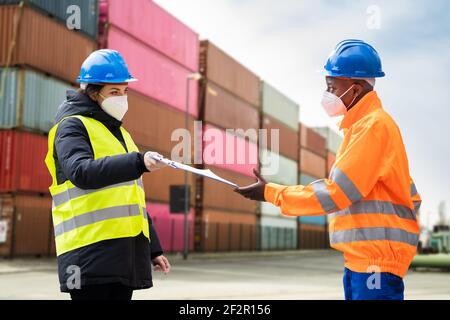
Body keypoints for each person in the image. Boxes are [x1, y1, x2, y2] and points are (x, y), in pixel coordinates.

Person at [235, 39, 422, 300]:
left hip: (375, 266)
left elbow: (334, 194)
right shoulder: (363, 128)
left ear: (355, 89)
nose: (328, 93)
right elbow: (411, 196)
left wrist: (271, 193)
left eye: (332, 86)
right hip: (365, 262)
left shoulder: (372, 127)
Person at [45, 49, 171, 300]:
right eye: (114, 92)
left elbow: (131, 198)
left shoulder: (122, 135)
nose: (122, 98)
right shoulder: (71, 126)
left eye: (124, 91)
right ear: (93, 92)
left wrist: (151, 248)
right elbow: (80, 172)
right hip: (88, 254)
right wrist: (138, 162)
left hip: (123, 253)